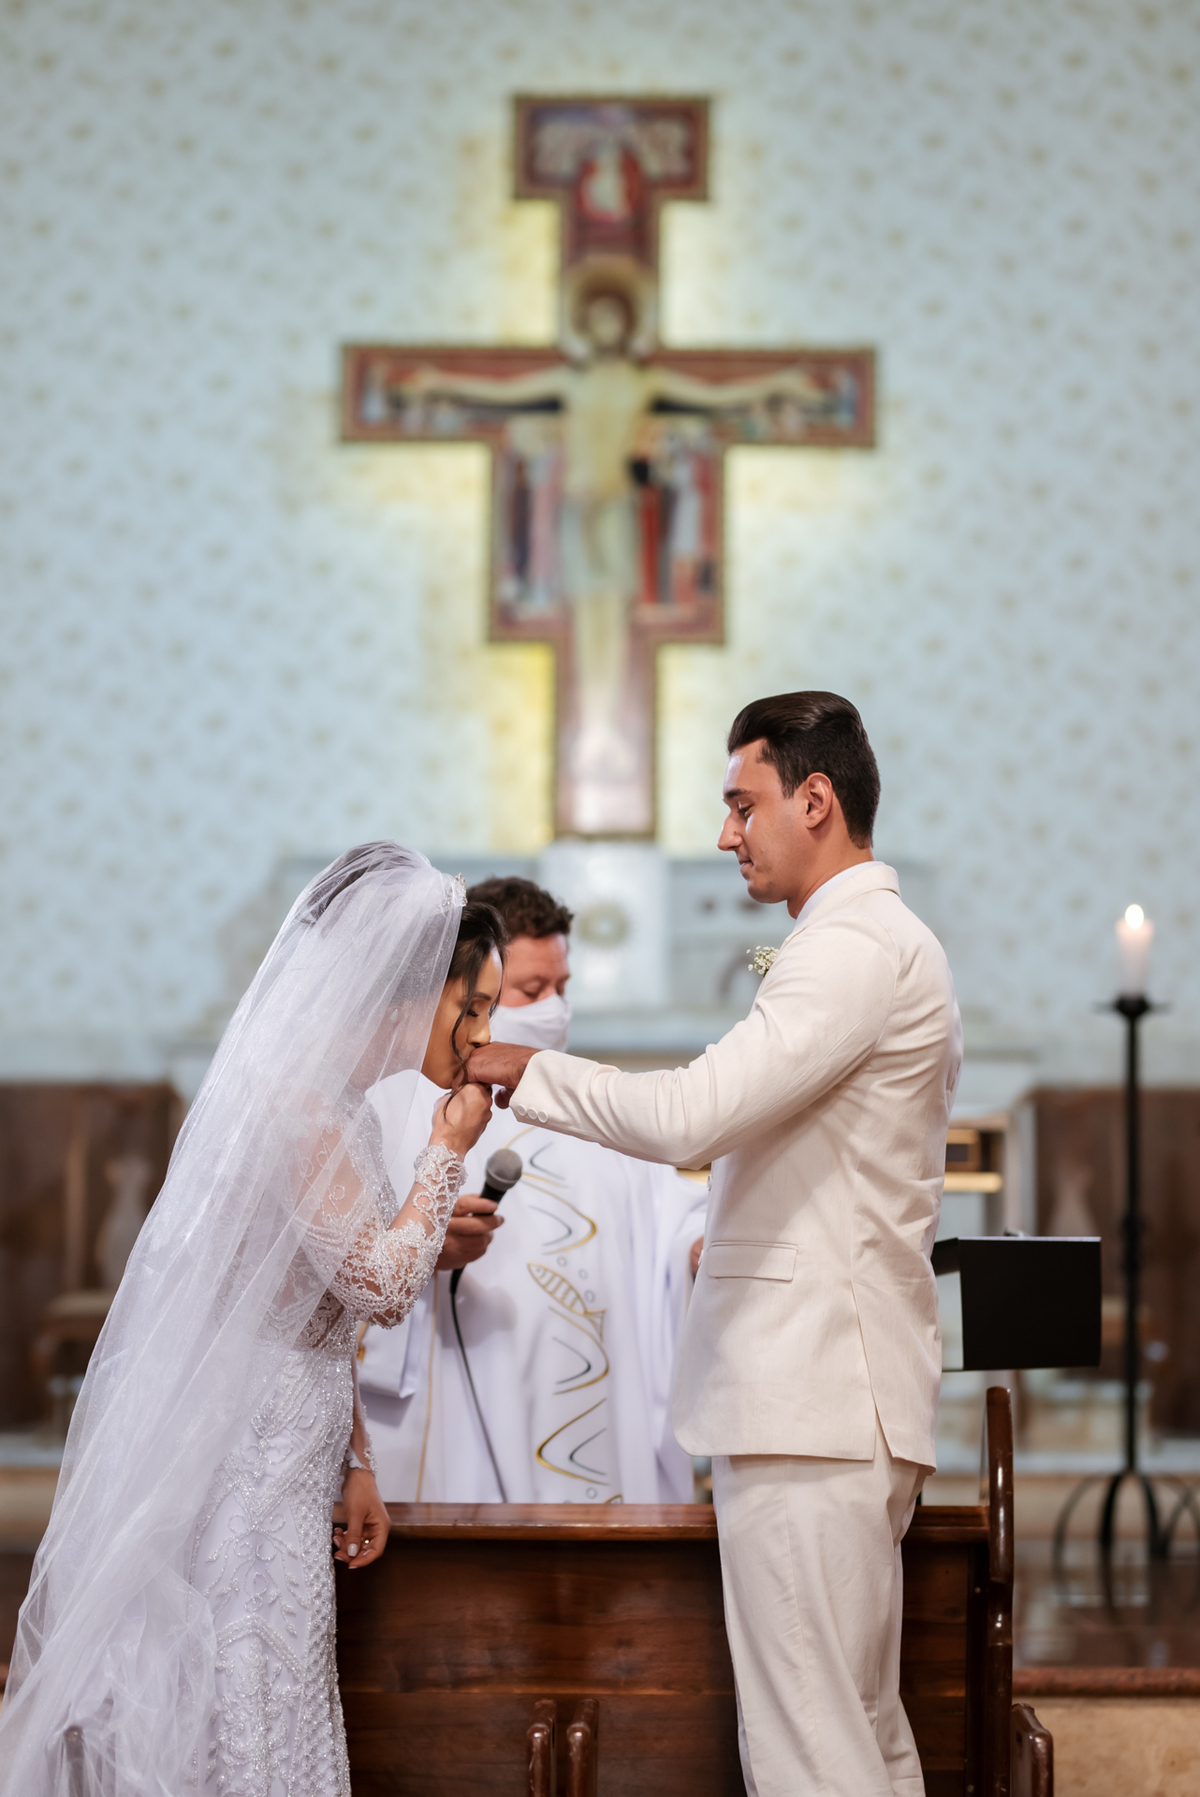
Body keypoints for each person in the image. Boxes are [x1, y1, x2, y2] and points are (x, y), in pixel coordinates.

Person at [470, 694, 963, 1797]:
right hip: (829, 1397)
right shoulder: (872, 940)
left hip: (812, 1397)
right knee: (858, 1735)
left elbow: (694, 1116)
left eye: (743, 804)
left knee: (809, 1753)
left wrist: (523, 1070)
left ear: (817, 800)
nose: (727, 834)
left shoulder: (852, 950)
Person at [0, 844, 503, 1797]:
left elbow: (321, 1305)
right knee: (249, 1684)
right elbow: (378, 1286)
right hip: (245, 1446)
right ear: (403, 989)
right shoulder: (298, 1107)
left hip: (297, 1434)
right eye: (467, 1005)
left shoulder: (341, 1106)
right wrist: (445, 1152)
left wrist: (356, 1458)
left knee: (283, 1676)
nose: (480, 1033)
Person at [358, 875, 707, 1504]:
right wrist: (428, 1247)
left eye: (563, 988)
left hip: (590, 1391)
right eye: (531, 990)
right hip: (459, 1381)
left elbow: (670, 1216)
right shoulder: (398, 1106)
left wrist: (696, 1249)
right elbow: (341, 1268)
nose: (554, 1006)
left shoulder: (596, 1103)